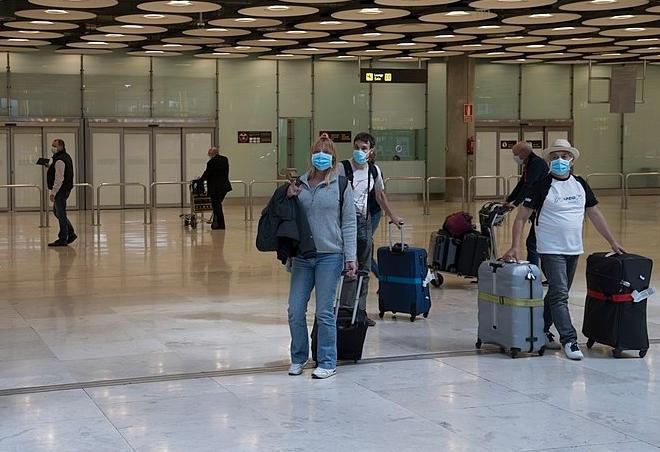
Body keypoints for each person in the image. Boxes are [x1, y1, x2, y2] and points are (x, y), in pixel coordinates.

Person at [503, 139, 625, 361]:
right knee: (560, 294)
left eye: (564, 156)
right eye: (555, 157)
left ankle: (541, 329)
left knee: (557, 293)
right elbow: (521, 218)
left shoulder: (580, 184)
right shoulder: (541, 185)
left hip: (573, 248)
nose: (560, 160)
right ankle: (569, 339)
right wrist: (515, 246)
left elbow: (594, 213)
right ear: (549, 161)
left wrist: (612, 241)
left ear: (572, 160)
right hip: (550, 248)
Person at [285, 134, 357, 379]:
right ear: (311, 155)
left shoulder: (341, 185)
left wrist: (350, 257)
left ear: (333, 157)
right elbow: (290, 219)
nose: (321, 156)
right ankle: (298, 357)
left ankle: (327, 361)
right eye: (318, 151)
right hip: (303, 256)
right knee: (295, 309)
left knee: (324, 311)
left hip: (330, 255)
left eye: (326, 152)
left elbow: (349, 223)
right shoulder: (300, 183)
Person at [338, 132, 403, 326]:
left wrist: (393, 217)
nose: (359, 151)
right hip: (346, 223)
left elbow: (380, 195)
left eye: (364, 148)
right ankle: (345, 310)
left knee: (364, 270)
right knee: (348, 267)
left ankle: (360, 311)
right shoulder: (343, 167)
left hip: (364, 222)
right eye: (357, 147)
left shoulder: (374, 171)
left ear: (371, 151)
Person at [504, 141, 556, 346]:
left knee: (533, 242)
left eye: (515, 154)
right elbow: (521, 184)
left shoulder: (537, 165)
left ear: (523, 153)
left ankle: (535, 273)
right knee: (533, 241)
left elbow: (529, 186)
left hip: (540, 208)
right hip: (534, 207)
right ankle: (538, 272)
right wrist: (509, 199)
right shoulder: (529, 164)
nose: (514, 157)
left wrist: (516, 203)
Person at [47, 139, 76, 247]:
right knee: (57, 212)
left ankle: (63, 238)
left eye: (54, 146)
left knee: (61, 213)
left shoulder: (60, 160)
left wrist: (53, 192)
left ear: (61, 146)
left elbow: (59, 179)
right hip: (65, 189)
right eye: (52, 145)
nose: (53, 148)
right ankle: (70, 233)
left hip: (61, 190)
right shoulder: (65, 157)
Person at [199, 147, 232, 230]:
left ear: (212, 153)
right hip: (224, 187)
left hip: (215, 188)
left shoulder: (211, 162)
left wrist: (199, 181)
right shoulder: (225, 159)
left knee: (217, 206)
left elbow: (207, 173)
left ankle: (220, 225)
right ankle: (217, 223)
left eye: (209, 153)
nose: (208, 155)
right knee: (218, 205)